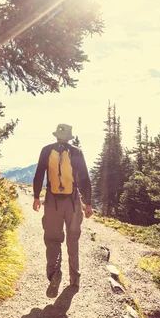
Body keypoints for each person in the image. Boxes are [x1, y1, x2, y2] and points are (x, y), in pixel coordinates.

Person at [32, 123, 94, 298]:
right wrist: (88, 203)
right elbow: (84, 179)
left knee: (52, 239)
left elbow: (39, 175)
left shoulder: (46, 150)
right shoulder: (76, 152)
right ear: (69, 137)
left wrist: (37, 197)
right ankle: (74, 278)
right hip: (72, 202)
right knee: (73, 239)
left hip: (52, 201)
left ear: (56, 136)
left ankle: (54, 273)